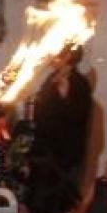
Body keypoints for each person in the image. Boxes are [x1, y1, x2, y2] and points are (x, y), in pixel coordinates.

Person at [33, 47, 92, 189]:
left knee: (62, 200)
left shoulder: (80, 83)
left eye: (57, 52)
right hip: (45, 152)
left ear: (68, 56)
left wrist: (65, 96)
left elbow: (79, 117)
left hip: (65, 157)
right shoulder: (50, 79)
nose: (52, 56)